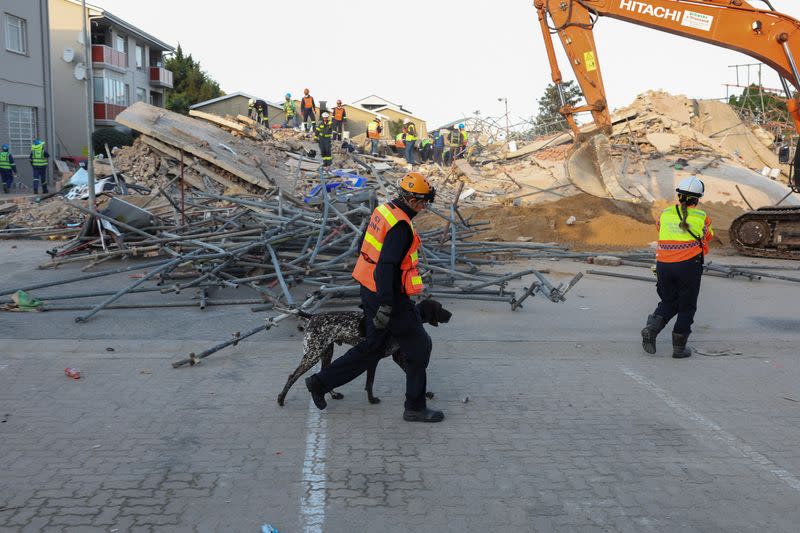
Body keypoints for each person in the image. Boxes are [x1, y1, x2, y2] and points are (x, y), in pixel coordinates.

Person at [305, 172, 443, 422]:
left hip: (370, 290)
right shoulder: (401, 226)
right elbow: (386, 266)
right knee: (418, 345)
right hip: (389, 297)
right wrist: (388, 305)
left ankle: (320, 382)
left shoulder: (385, 211)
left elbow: (363, 247)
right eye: (424, 203)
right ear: (413, 201)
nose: (424, 208)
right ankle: (415, 407)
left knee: (372, 347)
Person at [641, 176, 714, 359]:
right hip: (688, 265)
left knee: (669, 301)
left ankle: (652, 328)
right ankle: (679, 348)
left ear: (679, 196)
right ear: (697, 199)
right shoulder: (702, 217)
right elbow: (708, 237)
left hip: (664, 264)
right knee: (687, 306)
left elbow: (660, 228)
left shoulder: (665, 214)